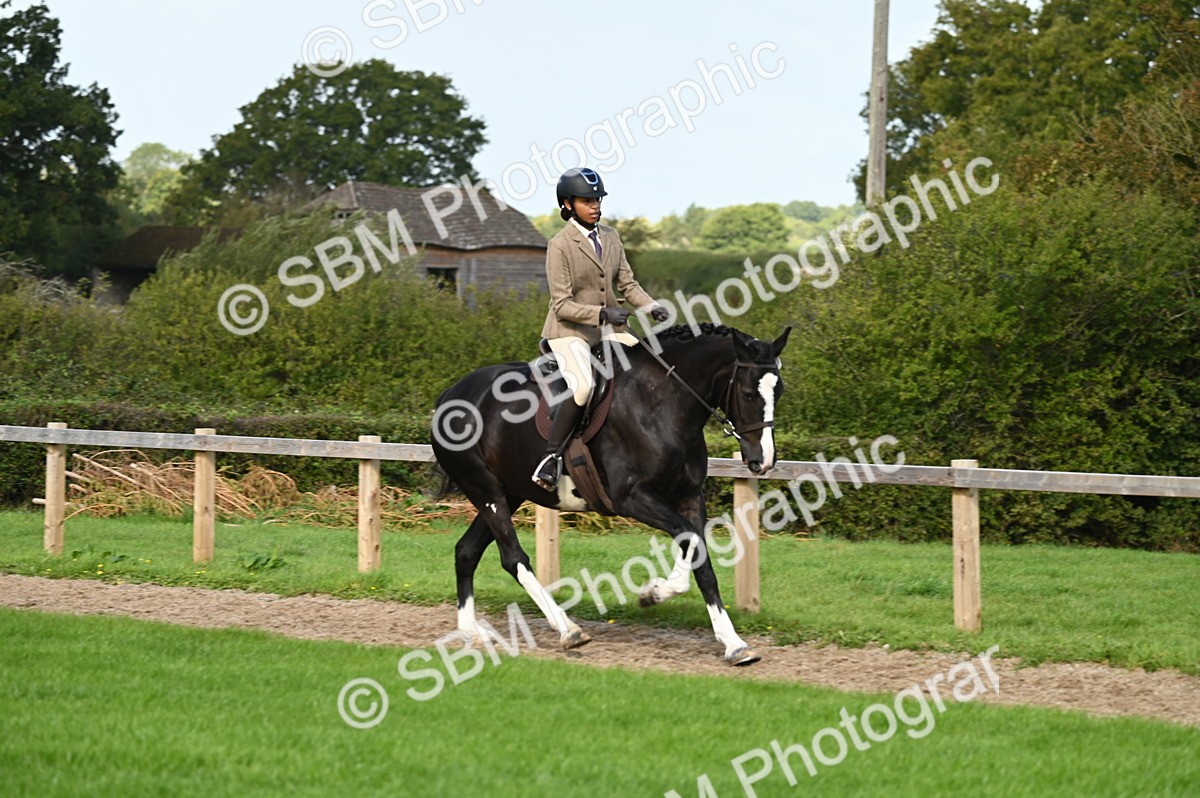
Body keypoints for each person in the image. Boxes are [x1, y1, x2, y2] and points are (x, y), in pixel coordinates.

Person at [531, 167, 670, 491]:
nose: (595, 205)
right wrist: (604, 314)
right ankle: (550, 459)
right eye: (586, 200)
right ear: (567, 204)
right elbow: (562, 304)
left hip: (607, 327)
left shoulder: (610, 236)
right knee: (582, 386)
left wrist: (651, 307)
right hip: (568, 331)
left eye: (597, 199)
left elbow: (627, 282)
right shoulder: (559, 245)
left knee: (653, 363)